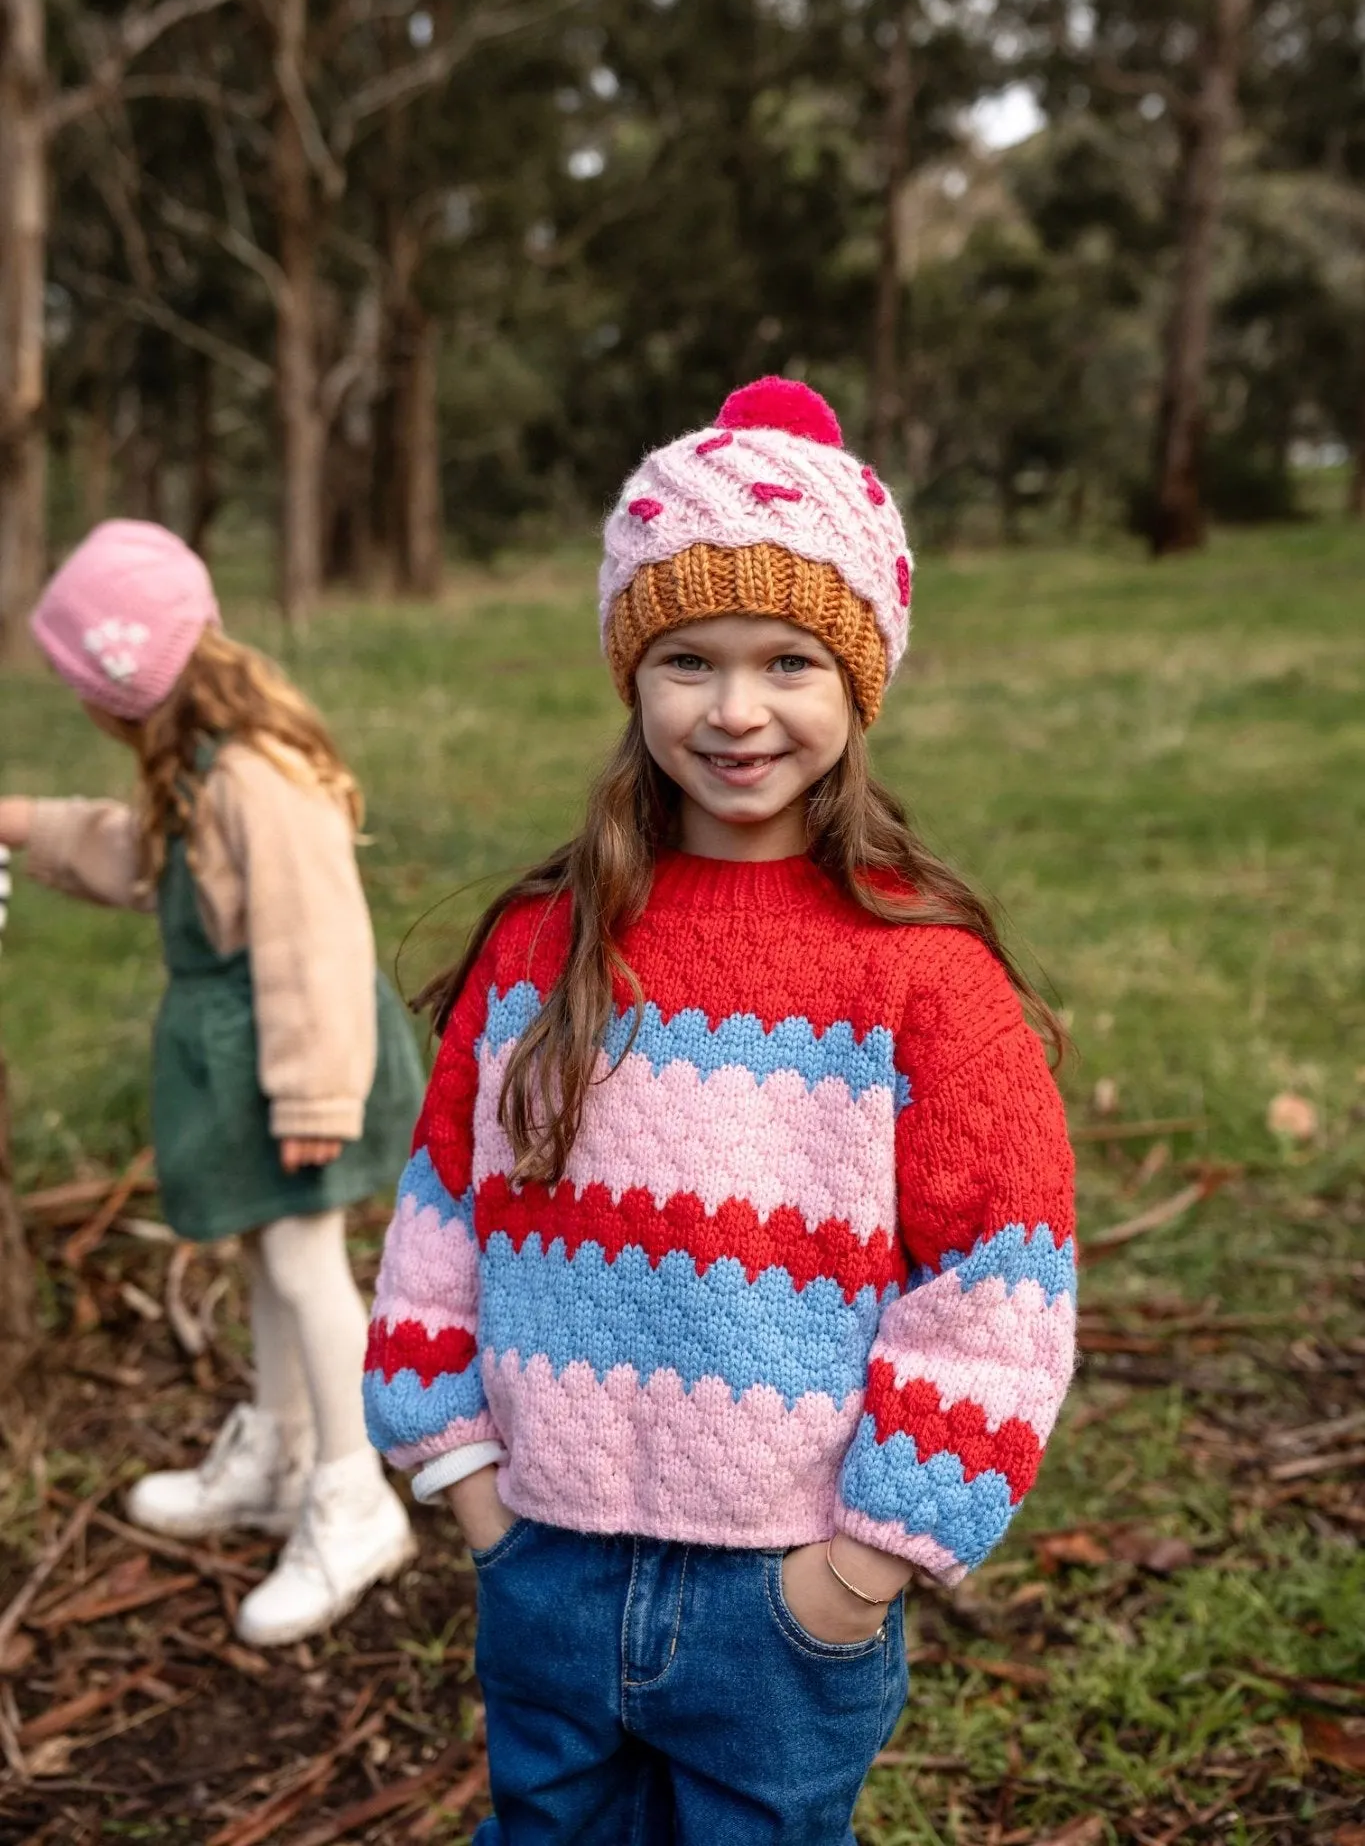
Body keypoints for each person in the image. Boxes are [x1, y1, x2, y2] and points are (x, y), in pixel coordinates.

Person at [363, 378, 1078, 1844]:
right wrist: (464, 1476)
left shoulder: (917, 976)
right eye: (687, 658)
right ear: (632, 673)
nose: (735, 710)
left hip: (785, 1593)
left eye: (789, 661)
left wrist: (867, 1563)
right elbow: (447, 1201)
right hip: (546, 1554)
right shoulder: (541, 945)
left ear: (858, 681)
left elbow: (997, 1281)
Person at [0, 520, 423, 1647]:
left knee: (303, 1258)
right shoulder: (198, 767)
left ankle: (353, 1494)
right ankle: (281, 1449)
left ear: (118, 687)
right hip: (246, 1065)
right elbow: (138, 852)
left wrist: (319, 1099)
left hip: (297, 1063)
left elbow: (314, 945)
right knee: (263, 1252)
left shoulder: (257, 777)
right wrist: (27, 823)